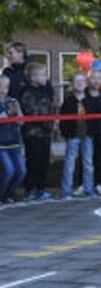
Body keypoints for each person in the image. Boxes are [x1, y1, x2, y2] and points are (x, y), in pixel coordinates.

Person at [20, 62, 55, 201]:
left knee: (44, 163)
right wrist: (46, 123)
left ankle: (41, 189)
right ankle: (29, 190)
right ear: (33, 77)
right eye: (42, 74)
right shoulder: (27, 93)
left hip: (45, 134)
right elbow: (32, 112)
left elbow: (50, 109)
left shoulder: (45, 92)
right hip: (33, 134)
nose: (45, 77)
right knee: (33, 162)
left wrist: (51, 123)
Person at [58, 73, 96, 199]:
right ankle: (66, 191)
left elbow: (94, 118)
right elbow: (62, 120)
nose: (79, 83)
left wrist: (93, 132)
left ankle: (88, 189)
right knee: (69, 163)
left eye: (82, 81)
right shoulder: (68, 102)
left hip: (87, 136)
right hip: (73, 135)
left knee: (88, 163)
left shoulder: (90, 100)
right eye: (76, 81)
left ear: (86, 84)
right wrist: (65, 133)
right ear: (72, 85)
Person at [0, 75, 26, 205]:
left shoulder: (13, 101)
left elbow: (21, 122)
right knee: (9, 171)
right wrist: (5, 115)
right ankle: (2, 196)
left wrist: (17, 113)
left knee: (21, 171)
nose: (4, 90)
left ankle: (9, 195)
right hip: (1, 145)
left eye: (6, 86)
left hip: (15, 143)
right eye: (1, 86)